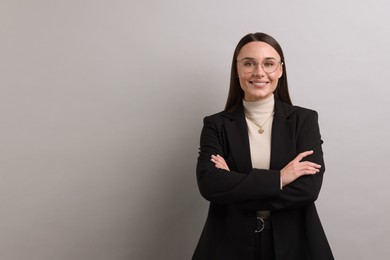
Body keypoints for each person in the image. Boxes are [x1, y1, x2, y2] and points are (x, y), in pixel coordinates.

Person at [192, 32, 334, 260]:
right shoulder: (215, 125)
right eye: (249, 63)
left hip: (293, 244)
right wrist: (280, 178)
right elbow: (209, 185)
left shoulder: (304, 121)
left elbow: (308, 190)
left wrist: (235, 184)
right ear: (237, 69)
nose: (259, 72)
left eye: (269, 64)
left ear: (280, 69)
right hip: (229, 245)